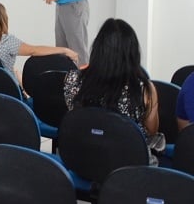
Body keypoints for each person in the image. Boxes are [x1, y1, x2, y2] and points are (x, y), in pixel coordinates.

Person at [63, 18, 160, 160]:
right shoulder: (144, 89)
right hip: (127, 165)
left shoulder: (72, 79)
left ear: (97, 48)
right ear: (132, 53)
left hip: (83, 158)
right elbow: (152, 131)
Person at [0, 0, 78, 78]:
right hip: (6, 92)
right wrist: (64, 50)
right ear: (2, 19)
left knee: (16, 72)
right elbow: (35, 50)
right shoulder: (7, 41)